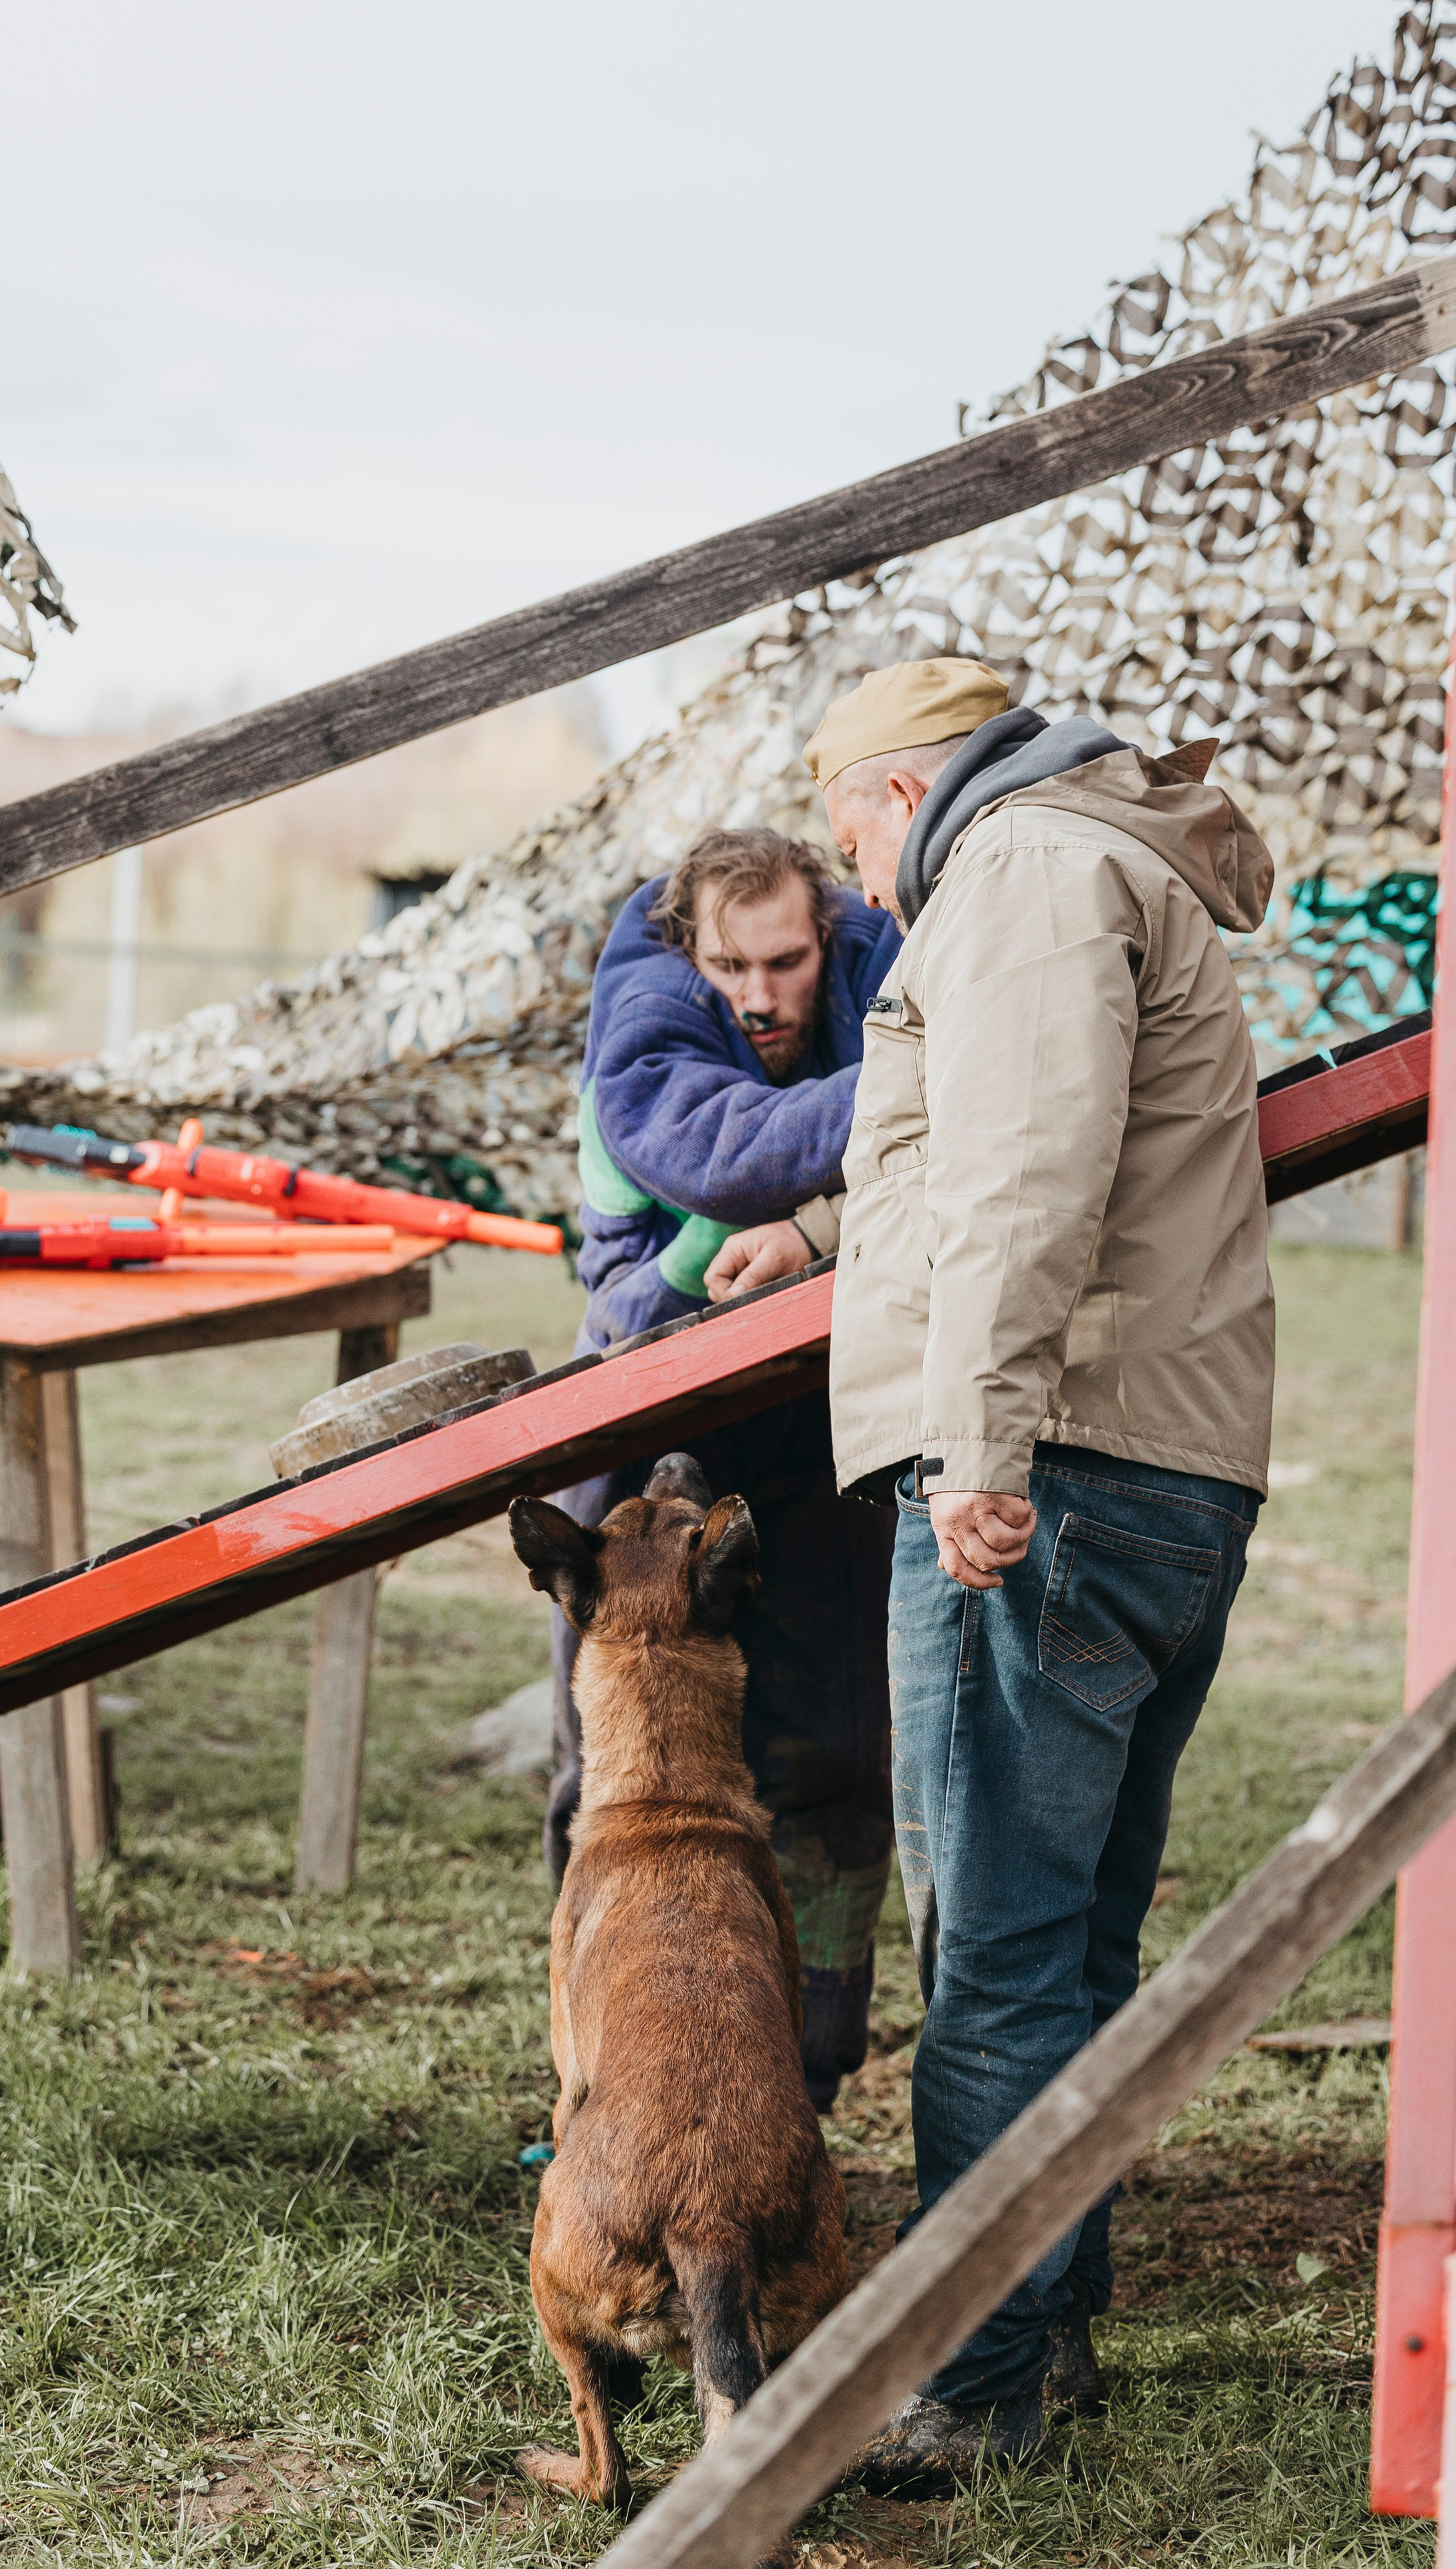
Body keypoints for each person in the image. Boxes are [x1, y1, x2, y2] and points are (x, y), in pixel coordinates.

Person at [746, 655, 1272, 2487]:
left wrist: (978, 1446)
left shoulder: (1024, 873)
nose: (862, 889)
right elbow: (996, 1138)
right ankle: (1044, 2328)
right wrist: (822, 1226)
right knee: (1066, 1936)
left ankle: (969, 2384)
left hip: (1054, 1470)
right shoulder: (1094, 859)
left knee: (989, 1950)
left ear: (897, 795)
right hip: (1155, 1454)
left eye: (848, 849)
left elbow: (1027, 1174)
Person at [550, 825, 902, 2113]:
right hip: (645, 1397)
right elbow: (721, 1153)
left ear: (830, 939)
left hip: (821, 1404)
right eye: (732, 966)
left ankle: (803, 2075)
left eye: (787, 962)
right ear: (689, 953)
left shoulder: (885, 958)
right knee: (613, 1763)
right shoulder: (646, 1018)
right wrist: (929, 1086)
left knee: (841, 1752)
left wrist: (815, 1223)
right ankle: (597, 2082)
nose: (759, 995)